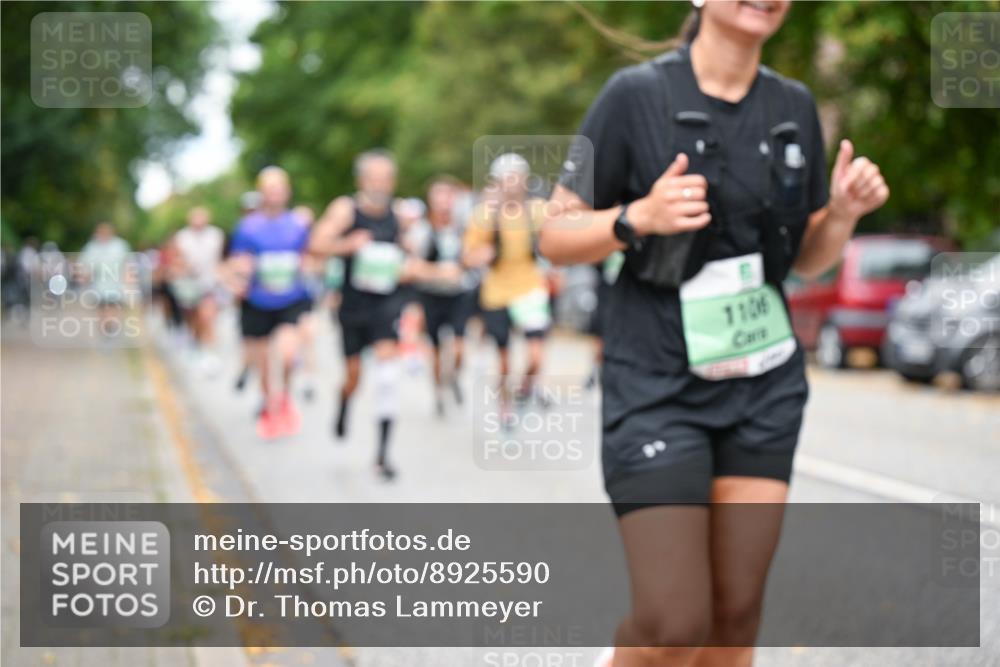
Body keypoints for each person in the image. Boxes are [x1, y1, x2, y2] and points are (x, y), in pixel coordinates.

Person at [540, 3, 889, 666]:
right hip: (657, 384)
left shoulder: (793, 105)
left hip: (764, 387)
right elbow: (555, 236)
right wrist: (636, 215)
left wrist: (841, 214)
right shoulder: (634, 97)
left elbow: (806, 260)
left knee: (733, 616)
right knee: (673, 621)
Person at [309, 150, 452, 480]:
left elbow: (407, 256)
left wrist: (420, 268)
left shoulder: (398, 216)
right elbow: (316, 245)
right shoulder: (346, 210)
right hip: (352, 307)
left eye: (385, 178)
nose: (379, 184)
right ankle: (344, 400)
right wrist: (347, 246)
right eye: (373, 177)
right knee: (354, 377)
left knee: (388, 378)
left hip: (386, 306)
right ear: (361, 180)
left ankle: (382, 455)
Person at [463, 154, 552, 423]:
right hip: (497, 290)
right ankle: (505, 406)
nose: (513, 185)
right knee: (503, 361)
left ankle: (525, 389)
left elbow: (555, 242)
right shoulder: (484, 215)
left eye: (518, 178)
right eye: (507, 179)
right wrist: (483, 254)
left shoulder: (537, 210)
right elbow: (467, 256)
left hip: (529, 287)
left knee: (536, 355)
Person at [226, 167, 312, 440]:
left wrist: (307, 267)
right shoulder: (248, 226)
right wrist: (240, 277)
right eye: (269, 189)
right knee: (262, 361)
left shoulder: (298, 224)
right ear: (262, 193)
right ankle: (268, 404)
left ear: (286, 192)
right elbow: (238, 260)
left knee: (287, 354)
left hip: (290, 298)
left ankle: (284, 394)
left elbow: (310, 256)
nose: (275, 194)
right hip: (257, 300)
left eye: (279, 188)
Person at [411, 176, 478, 415]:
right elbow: (412, 267)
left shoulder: (466, 229)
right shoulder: (421, 231)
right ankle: (439, 389)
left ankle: (455, 376)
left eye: (449, 196)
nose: (444, 202)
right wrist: (439, 272)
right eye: (439, 196)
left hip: (459, 294)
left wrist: (467, 264)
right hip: (431, 294)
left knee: (459, 346)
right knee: (436, 348)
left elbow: (475, 256)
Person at [173, 206, 225, 373]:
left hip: (210, 284)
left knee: (207, 317)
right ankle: (194, 344)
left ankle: (209, 354)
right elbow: (176, 259)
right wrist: (184, 267)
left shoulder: (216, 235)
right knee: (194, 319)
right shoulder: (182, 237)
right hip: (188, 285)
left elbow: (221, 258)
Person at [79, 223, 132, 337]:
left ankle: (113, 329)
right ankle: (106, 332)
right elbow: (85, 266)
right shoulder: (91, 247)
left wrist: (128, 282)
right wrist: (85, 278)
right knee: (102, 311)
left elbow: (127, 264)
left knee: (113, 310)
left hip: (116, 286)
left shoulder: (120, 246)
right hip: (99, 287)